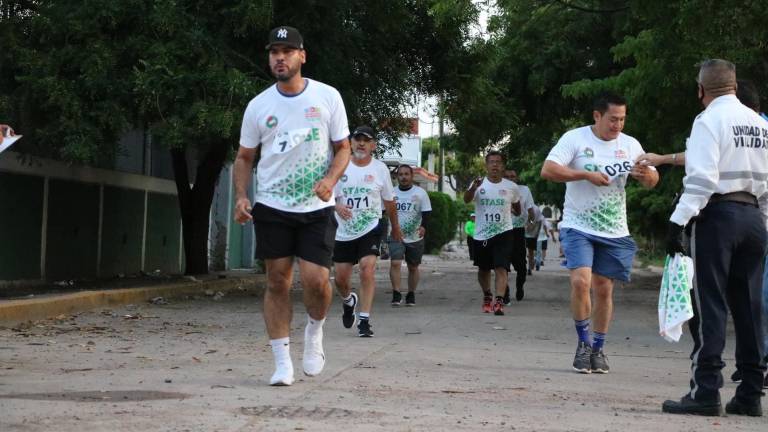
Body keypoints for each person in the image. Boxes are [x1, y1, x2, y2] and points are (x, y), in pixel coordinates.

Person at [233, 26, 351, 386]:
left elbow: (343, 147)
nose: (279, 58)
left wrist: (330, 180)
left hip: (316, 206)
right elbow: (244, 157)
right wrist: (241, 195)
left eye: (287, 51)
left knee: (316, 281)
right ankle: (282, 361)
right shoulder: (258, 105)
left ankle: (314, 332)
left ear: (303, 56)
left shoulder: (327, 97)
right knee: (277, 280)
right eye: (273, 52)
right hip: (273, 204)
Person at [661, 59, 767, 417]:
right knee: (750, 307)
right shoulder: (758, 122)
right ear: (735, 86)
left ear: (701, 90)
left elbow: (703, 180)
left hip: (717, 217)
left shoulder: (708, 120)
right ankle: (750, 394)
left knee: (711, 306)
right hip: (753, 218)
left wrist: (677, 222)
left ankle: (706, 391)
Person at [541, 92, 659, 374]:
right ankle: (583, 344)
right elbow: (548, 170)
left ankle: (599, 348)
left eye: (622, 119)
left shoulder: (630, 145)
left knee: (604, 289)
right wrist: (584, 175)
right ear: (597, 116)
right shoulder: (576, 139)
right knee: (581, 282)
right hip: (578, 224)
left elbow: (653, 179)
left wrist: (646, 177)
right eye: (612, 119)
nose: (617, 125)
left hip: (614, 228)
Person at [333, 126, 402, 337]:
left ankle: (364, 320)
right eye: (358, 139)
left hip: (370, 226)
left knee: (367, 269)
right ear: (351, 142)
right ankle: (348, 301)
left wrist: (395, 229)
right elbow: (325, 193)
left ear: (373, 145)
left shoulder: (380, 169)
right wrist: (337, 206)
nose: (361, 143)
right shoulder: (339, 164)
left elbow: (389, 202)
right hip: (343, 230)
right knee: (341, 279)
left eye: (366, 140)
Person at [464, 151, 521, 316]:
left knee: (501, 267)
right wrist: (473, 188)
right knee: (483, 269)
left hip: (504, 232)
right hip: (482, 233)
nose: (495, 165)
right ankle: (487, 295)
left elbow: (517, 206)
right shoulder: (478, 184)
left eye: (498, 162)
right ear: (486, 165)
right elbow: (467, 200)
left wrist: (516, 211)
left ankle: (499, 301)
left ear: (503, 166)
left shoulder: (511, 187)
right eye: (491, 162)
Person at [388, 164, 432, 306]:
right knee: (395, 262)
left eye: (407, 174)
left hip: (415, 236)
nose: (404, 177)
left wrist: (424, 226)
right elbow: (383, 211)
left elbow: (426, 212)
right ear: (397, 177)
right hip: (396, 234)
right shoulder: (391, 193)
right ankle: (396, 293)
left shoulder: (420, 193)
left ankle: (411, 293)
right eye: (401, 174)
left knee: (413, 267)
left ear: (412, 176)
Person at [504, 169, 535, 303]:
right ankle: (504, 292)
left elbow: (530, 209)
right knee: (502, 263)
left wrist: (531, 221)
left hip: (518, 231)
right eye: (507, 177)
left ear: (517, 178)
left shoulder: (524, 190)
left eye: (513, 176)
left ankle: (519, 286)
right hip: (502, 231)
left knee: (521, 266)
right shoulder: (498, 189)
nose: (511, 179)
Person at [525, 205, 543, 275]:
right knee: (530, 251)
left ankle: (529, 267)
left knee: (530, 251)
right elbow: (540, 221)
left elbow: (538, 221)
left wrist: (531, 225)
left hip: (530, 234)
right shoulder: (536, 208)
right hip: (530, 234)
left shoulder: (535, 208)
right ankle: (529, 267)